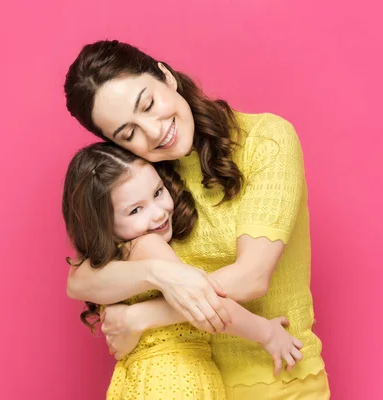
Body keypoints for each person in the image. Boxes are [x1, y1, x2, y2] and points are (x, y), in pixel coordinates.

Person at [63, 40, 329, 399]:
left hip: (276, 376)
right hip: (184, 382)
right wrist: (158, 273)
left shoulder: (265, 141)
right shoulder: (141, 185)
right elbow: (79, 282)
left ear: (166, 76)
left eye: (149, 104)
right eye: (129, 134)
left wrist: (143, 317)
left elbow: (251, 278)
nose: (154, 132)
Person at [62, 142, 303, 399]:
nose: (158, 213)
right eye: (135, 210)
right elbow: (206, 304)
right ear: (104, 226)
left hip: (138, 379)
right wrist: (266, 333)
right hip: (173, 378)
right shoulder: (146, 245)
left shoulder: (110, 261)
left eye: (157, 192)